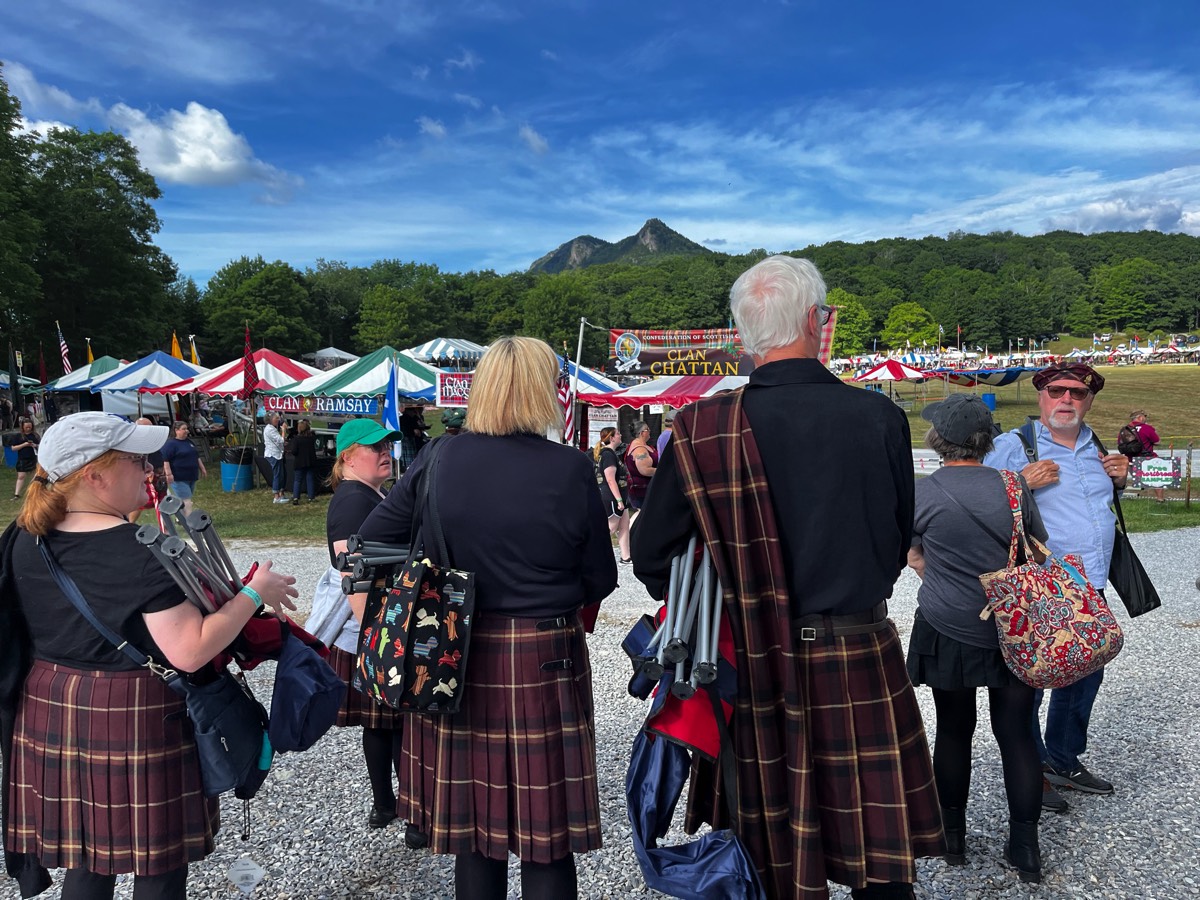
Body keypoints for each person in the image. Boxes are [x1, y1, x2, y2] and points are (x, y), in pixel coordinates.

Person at [631, 255, 941, 899]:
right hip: (857, 649)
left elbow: (651, 559)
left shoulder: (699, 428)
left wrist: (723, 587)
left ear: (746, 337)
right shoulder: (878, 417)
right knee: (878, 859)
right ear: (814, 321)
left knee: (773, 860)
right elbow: (891, 547)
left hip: (752, 663)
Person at [359, 336, 616, 900]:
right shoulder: (572, 468)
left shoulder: (439, 457)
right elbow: (603, 579)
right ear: (540, 391)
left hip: (453, 651)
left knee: (475, 833)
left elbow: (373, 537)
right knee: (547, 838)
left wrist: (439, 564)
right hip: (544, 656)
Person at [1, 411, 298, 900]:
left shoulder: (26, 537)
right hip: (132, 712)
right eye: (136, 460)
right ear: (95, 476)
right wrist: (253, 593)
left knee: (87, 857)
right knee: (156, 864)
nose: (151, 468)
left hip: (53, 703)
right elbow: (190, 649)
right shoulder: (141, 553)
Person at [906, 394, 1049, 883]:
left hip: (948, 625)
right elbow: (1036, 549)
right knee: (1017, 735)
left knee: (953, 730)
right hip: (1015, 627)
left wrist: (929, 566)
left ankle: (952, 838)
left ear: (938, 440)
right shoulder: (1013, 487)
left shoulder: (923, 492)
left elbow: (910, 552)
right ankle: (1025, 846)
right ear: (987, 440)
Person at [983, 362, 1128, 813]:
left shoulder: (1096, 446)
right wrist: (1020, 484)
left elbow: (1099, 506)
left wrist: (1120, 480)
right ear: (1041, 395)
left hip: (1091, 583)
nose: (1067, 400)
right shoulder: (1014, 446)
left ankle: (1063, 758)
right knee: (1035, 678)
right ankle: (1032, 768)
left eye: (1077, 394)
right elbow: (981, 503)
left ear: (1089, 400)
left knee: (1087, 672)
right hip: (1042, 587)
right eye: (1057, 391)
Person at [303, 418, 420, 838]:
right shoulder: (354, 500)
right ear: (348, 457)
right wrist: (379, 633)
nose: (386, 452)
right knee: (398, 723)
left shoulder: (365, 494)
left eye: (388, 445)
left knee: (382, 723)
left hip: (370, 629)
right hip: (372, 628)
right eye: (375, 448)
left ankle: (386, 805)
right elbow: (350, 570)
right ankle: (410, 813)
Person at [593, 426, 631, 565]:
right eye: (618, 433)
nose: (620, 435)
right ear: (611, 438)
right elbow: (610, 479)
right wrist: (619, 500)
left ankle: (626, 557)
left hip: (620, 495)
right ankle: (591, 553)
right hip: (612, 496)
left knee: (624, 525)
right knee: (611, 527)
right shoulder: (608, 454)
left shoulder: (611, 453)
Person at [160, 420, 207, 517]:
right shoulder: (170, 444)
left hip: (191, 475)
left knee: (183, 499)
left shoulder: (189, 442)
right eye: (184, 429)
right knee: (187, 501)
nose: (187, 431)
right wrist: (169, 474)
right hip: (178, 477)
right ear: (176, 430)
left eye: (187, 429)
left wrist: (202, 468)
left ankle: (180, 517)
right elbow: (166, 460)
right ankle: (189, 521)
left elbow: (196, 456)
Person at [128, 416, 169, 524]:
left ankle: (166, 528)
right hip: (144, 476)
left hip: (158, 474)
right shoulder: (134, 443)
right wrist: (145, 473)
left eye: (151, 426)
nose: (150, 429)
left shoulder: (154, 439)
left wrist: (163, 471)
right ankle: (129, 523)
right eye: (147, 427)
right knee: (140, 503)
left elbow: (160, 455)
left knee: (162, 501)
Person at [1126, 410, 1164, 503]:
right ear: (1140, 418)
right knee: (1159, 477)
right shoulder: (1147, 428)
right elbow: (1157, 441)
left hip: (1130, 461)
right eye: (1145, 416)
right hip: (1146, 459)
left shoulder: (1125, 429)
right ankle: (1160, 499)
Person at [623, 420, 658, 511]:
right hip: (642, 491)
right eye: (648, 429)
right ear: (642, 433)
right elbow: (645, 470)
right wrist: (662, 470)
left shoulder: (640, 445)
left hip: (645, 490)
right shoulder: (639, 450)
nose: (649, 431)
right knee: (643, 516)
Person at [288, 419, 319, 505]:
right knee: (310, 479)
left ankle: (295, 497)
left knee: (298, 480)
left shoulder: (296, 439)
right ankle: (311, 497)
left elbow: (294, 451)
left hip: (300, 462)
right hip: (310, 461)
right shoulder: (311, 438)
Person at [11, 418, 40, 500]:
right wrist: (24, 444)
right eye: (26, 427)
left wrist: (35, 445)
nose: (28, 428)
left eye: (30, 427)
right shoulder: (18, 436)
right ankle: (17, 494)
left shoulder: (35, 435)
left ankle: (33, 492)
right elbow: (13, 448)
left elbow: (41, 446)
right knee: (21, 476)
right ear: (22, 427)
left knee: (34, 477)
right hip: (22, 459)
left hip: (33, 458)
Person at [264, 413, 287, 503]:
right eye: (276, 418)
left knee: (281, 474)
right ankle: (276, 496)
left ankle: (281, 494)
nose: (278, 420)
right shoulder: (270, 429)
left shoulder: (272, 428)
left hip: (277, 453)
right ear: (271, 420)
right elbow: (281, 440)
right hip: (273, 454)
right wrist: (283, 430)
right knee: (277, 474)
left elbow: (277, 441)